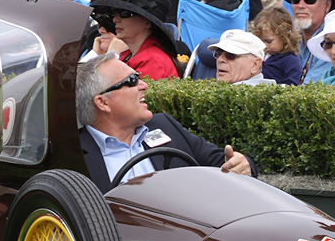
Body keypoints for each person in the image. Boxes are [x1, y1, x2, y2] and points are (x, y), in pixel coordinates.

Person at [76, 54, 254, 193]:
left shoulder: (164, 126)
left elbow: (225, 162)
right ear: (103, 102)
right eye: (131, 81)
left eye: (138, 77)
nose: (144, 85)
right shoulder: (73, 158)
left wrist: (243, 164)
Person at [89, 0, 182, 80]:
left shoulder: (152, 60)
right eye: (114, 13)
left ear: (147, 23)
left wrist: (112, 55)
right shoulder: (129, 54)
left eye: (124, 13)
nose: (115, 19)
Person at [249, 7, 301, 85]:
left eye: (269, 41)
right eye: (260, 41)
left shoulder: (290, 61)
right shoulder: (260, 57)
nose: (264, 46)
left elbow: (292, 86)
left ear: (284, 37)